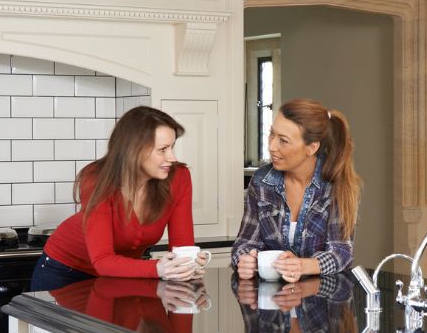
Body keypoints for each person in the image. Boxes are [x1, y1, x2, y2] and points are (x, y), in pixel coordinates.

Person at [30, 106, 209, 290]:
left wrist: (187, 266)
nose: (172, 157)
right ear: (134, 150)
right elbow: (102, 260)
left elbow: (182, 247)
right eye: (163, 150)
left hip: (120, 273)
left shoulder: (178, 177)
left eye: (172, 147)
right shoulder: (96, 178)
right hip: (65, 271)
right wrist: (158, 268)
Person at [232, 98, 361, 282]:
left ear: (312, 147)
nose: (271, 146)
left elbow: (341, 252)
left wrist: (303, 265)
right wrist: (244, 260)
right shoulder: (261, 182)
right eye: (271, 134)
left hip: (320, 302)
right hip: (269, 303)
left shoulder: (334, 186)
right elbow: (244, 243)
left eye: (283, 141)